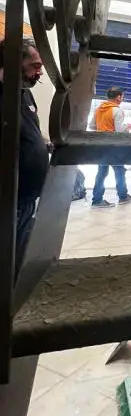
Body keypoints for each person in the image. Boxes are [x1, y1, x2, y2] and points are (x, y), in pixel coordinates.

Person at [0, 38, 48, 276]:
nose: (39, 73)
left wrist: (42, 145)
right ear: (12, 62)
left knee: (18, 259)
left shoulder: (25, 94)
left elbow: (29, 131)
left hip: (27, 197)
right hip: (7, 199)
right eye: (35, 66)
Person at [89, 86, 131, 208]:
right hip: (113, 147)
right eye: (122, 96)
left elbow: (92, 126)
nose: (122, 98)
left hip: (101, 146)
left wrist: (102, 128)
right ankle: (123, 196)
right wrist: (128, 127)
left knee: (102, 173)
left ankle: (97, 200)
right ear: (118, 97)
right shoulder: (117, 110)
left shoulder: (99, 109)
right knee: (119, 171)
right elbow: (119, 130)